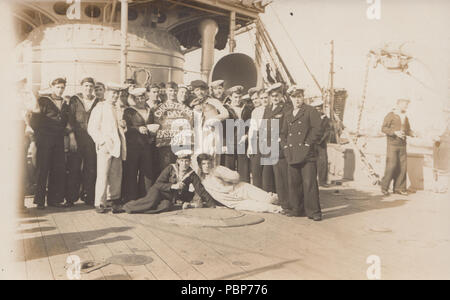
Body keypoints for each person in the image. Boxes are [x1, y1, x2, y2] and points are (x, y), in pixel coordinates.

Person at [122, 150, 216, 214]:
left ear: (190, 162)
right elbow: (157, 184)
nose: (184, 164)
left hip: (169, 197)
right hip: (158, 191)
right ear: (178, 161)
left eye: (187, 161)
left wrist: (212, 205)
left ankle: (140, 211)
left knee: (166, 206)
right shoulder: (170, 168)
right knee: (151, 201)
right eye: (182, 161)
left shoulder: (191, 174)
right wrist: (173, 186)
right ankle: (125, 208)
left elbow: (200, 189)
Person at [280, 86, 323, 220]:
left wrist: (307, 143)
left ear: (303, 97)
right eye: (294, 97)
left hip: (307, 153)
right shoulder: (288, 113)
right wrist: (285, 147)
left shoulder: (310, 111)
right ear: (290, 98)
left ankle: (314, 212)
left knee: (309, 183)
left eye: (299, 96)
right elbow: (283, 133)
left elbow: (317, 129)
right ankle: (297, 209)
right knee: (294, 183)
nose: (297, 99)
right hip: (292, 153)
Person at [28, 78, 70, 209]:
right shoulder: (44, 101)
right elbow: (35, 120)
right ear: (52, 87)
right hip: (45, 140)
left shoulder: (65, 103)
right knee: (43, 169)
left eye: (62, 87)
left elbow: (66, 121)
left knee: (57, 169)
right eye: (57, 87)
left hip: (58, 140)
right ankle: (39, 201)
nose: (60, 90)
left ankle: (54, 200)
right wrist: (37, 138)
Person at [88, 83, 128, 214]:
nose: (115, 96)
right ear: (107, 93)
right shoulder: (100, 107)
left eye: (117, 93)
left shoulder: (118, 108)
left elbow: (118, 127)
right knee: (102, 174)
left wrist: (123, 126)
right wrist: (101, 141)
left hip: (117, 145)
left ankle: (113, 201)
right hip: (106, 146)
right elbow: (92, 128)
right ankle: (99, 202)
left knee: (116, 174)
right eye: (113, 93)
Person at [196, 154, 281, 213]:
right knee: (265, 208)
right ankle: (281, 208)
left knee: (270, 199)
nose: (206, 166)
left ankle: (278, 198)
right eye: (203, 164)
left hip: (242, 189)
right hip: (235, 203)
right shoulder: (202, 181)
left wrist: (219, 173)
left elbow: (236, 177)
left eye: (208, 163)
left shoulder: (217, 169)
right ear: (200, 165)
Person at [66, 77, 100, 207]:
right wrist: (72, 137)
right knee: (74, 167)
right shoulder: (75, 100)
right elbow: (70, 120)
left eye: (91, 86)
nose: (88, 88)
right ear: (82, 86)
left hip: (92, 139)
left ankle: (88, 196)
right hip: (78, 138)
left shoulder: (97, 101)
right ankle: (71, 197)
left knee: (91, 168)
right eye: (86, 86)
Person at [123, 88, 158, 201]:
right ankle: (131, 197)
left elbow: (153, 125)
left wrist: (152, 134)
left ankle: (145, 196)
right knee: (132, 171)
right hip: (133, 146)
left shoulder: (150, 110)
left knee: (146, 171)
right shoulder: (129, 111)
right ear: (134, 99)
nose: (140, 100)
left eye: (142, 97)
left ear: (145, 98)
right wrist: (138, 129)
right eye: (137, 98)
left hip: (147, 146)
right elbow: (126, 127)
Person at [260, 83, 289, 208]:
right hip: (267, 145)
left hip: (277, 145)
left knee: (280, 176)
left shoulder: (286, 108)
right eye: (272, 96)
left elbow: (286, 127)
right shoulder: (268, 109)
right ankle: (269, 201)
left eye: (277, 95)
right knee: (267, 175)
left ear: (282, 96)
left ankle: (284, 203)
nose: (275, 98)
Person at [189, 80, 229, 167]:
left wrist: (212, 119)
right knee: (197, 161)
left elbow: (225, 114)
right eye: (197, 90)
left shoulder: (213, 101)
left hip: (211, 135)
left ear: (206, 91)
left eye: (202, 90)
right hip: (198, 137)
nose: (200, 92)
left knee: (211, 160)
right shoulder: (193, 104)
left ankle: (212, 179)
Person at [380, 98, 416, 196]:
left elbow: (408, 130)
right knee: (391, 166)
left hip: (403, 145)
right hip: (392, 144)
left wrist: (412, 133)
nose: (406, 106)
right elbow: (383, 128)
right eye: (405, 104)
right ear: (398, 104)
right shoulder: (390, 115)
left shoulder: (405, 117)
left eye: (407, 105)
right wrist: (394, 132)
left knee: (402, 167)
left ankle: (399, 188)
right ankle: (384, 187)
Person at [222, 85, 253, 182]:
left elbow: (251, 124)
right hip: (229, 142)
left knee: (244, 170)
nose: (238, 99)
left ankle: (244, 191)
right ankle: (230, 191)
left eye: (239, 97)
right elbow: (221, 128)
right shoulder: (225, 109)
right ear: (230, 97)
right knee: (229, 170)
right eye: (235, 97)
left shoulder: (248, 109)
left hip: (243, 142)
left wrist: (247, 135)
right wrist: (224, 144)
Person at [311, 99, 332, 187]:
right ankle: (312, 181)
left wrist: (321, 140)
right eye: (316, 109)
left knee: (322, 162)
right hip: (312, 143)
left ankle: (322, 181)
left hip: (321, 144)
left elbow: (327, 131)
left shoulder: (325, 119)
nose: (318, 110)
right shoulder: (310, 118)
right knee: (311, 162)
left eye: (319, 108)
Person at [247, 88, 266, 188]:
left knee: (266, 171)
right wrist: (250, 146)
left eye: (257, 98)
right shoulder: (254, 111)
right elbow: (252, 129)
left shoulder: (268, 109)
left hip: (266, 141)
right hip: (256, 141)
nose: (255, 101)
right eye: (253, 99)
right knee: (256, 169)